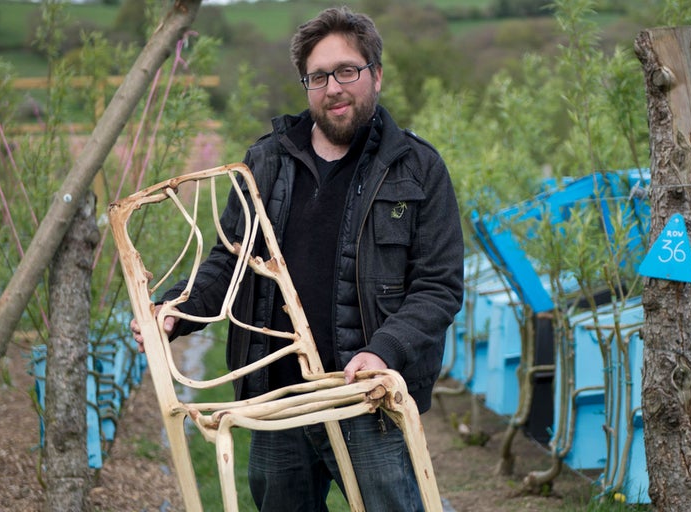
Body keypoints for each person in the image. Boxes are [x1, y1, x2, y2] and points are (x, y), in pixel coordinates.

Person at [131, 6, 464, 511]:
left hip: (366, 397)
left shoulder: (418, 169)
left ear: (376, 74)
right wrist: (181, 309)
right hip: (276, 401)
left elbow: (438, 286)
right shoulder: (265, 162)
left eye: (347, 71)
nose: (333, 87)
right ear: (305, 84)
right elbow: (231, 256)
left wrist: (384, 350)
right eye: (318, 76)